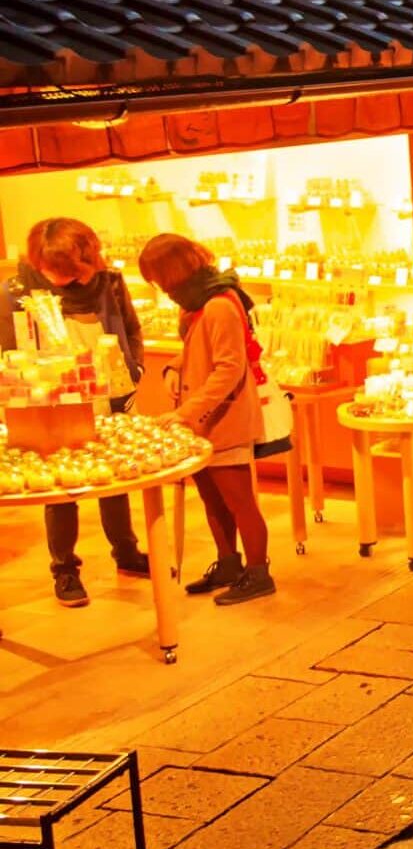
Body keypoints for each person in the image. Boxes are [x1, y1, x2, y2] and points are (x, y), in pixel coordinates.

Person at [2, 219, 148, 607]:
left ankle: (127, 552)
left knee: (114, 475)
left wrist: (134, 369)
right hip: (53, 402)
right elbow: (6, 347)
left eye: (70, 270)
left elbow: (131, 330)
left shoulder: (109, 284)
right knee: (61, 487)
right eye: (55, 270)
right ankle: (65, 568)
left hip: (111, 396)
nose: (63, 279)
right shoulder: (18, 292)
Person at [137, 234, 274, 606]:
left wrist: (185, 412)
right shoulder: (198, 302)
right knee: (212, 498)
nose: (160, 288)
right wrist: (173, 367)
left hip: (222, 418)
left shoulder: (218, 304)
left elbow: (229, 367)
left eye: (158, 277)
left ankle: (259, 573)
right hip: (202, 419)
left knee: (238, 499)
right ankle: (229, 563)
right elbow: (198, 351)